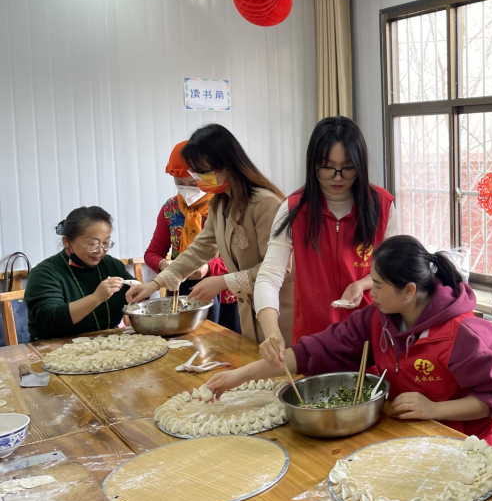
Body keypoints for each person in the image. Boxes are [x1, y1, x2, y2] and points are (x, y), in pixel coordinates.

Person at [207, 235, 492, 451]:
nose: (372, 293)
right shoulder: (377, 319)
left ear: (409, 291)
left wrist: (434, 408)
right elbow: (314, 352)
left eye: (378, 286)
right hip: (408, 438)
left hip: (465, 448)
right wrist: (240, 375)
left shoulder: (465, 334)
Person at [127, 124, 294, 343]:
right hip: (249, 311)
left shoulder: (266, 203)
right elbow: (199, 249)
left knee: (281, 360)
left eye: (202, 173)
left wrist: (224, 281)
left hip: (279, 310)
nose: (198, 181)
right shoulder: (220, 203)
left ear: (227, 165)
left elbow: (281, 269)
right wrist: (155, 284)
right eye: (195, 174)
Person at [255, 116, 395, 351]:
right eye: (328, 167)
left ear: (360, 165)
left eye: (347, 167)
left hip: (370, 337)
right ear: (313, 165)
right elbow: (269, 276)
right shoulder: (294, 208)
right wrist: (271, 331)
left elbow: (394, 271)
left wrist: (362, 283)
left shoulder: (382, 205)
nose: (337, 177)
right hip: (313, 340)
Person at [143, 141, 241, 333]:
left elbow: (240, 258)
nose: (187, 190)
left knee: (225, 343)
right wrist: (163, 265)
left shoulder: (225, 206)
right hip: (179, 290)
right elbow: (152, 253)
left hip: (223, 291)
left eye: (193, 184)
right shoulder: (170, 209)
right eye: (180, 184)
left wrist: (209, 268)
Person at [25, 206, 131, 340]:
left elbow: (132, 293)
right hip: (55, 346)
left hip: (107, 342)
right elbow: (49, 318)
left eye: (105, 243)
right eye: (92, 244)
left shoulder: (111, 265)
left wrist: (140, 292)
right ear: (67, 241)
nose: (100, 251)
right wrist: (96, 298)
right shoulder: (44, 273)